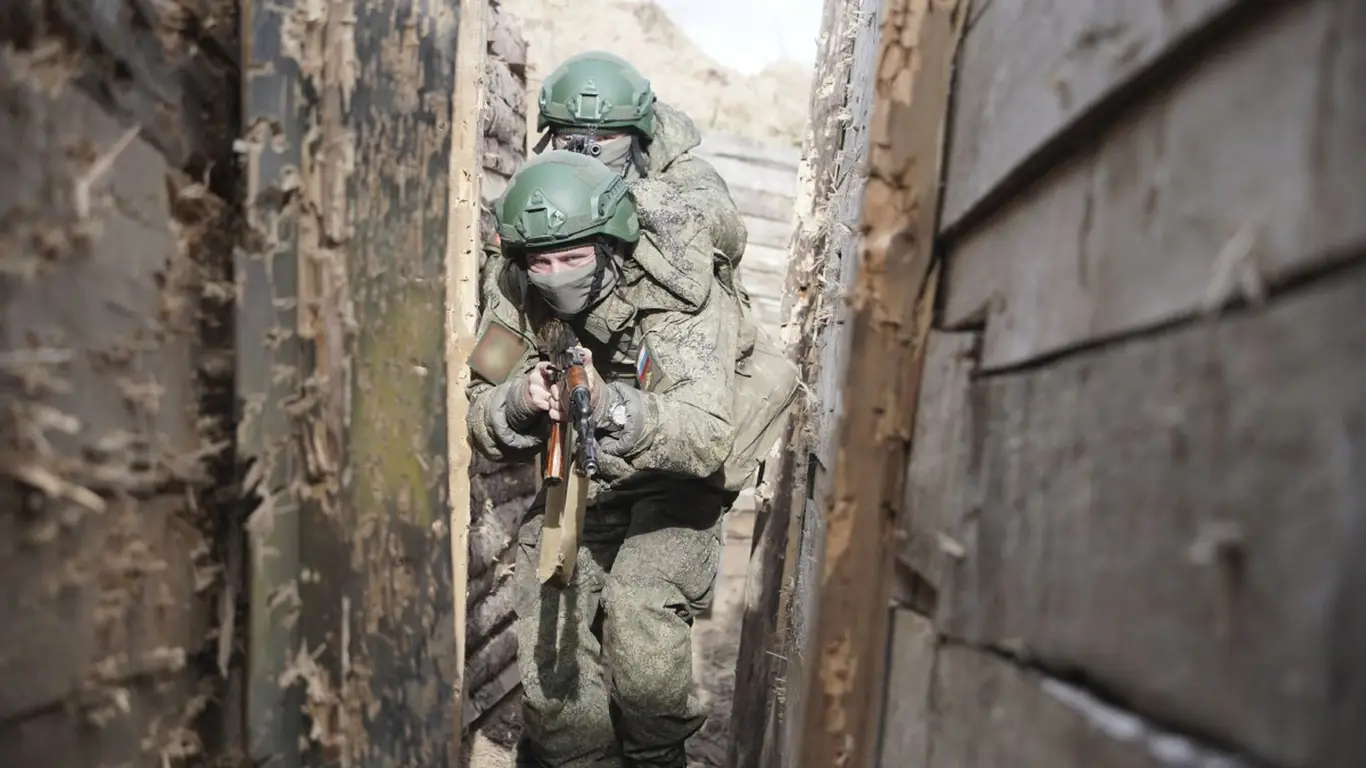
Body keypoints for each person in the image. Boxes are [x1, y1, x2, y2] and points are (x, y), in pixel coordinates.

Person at [466, 150, 796, 768]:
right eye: (542, 261)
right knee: (547, 593)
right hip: (591, 472)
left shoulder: (673, 285)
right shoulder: (515, 285)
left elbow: (704, 435)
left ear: (611, 245)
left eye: (573, 257)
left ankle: (656, 756)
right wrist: (521, 400)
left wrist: (612, 406)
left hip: (683, 474)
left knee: (641, 606)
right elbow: (480, 412)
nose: (555, 274)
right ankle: (579, 755)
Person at [532, 50, 748, 270]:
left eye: (605, 139)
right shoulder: (545, 178)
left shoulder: (680, 171)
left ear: (637, 136)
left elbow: (728, 230)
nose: (587, 150)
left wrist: (632, 203)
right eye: (569, 138)